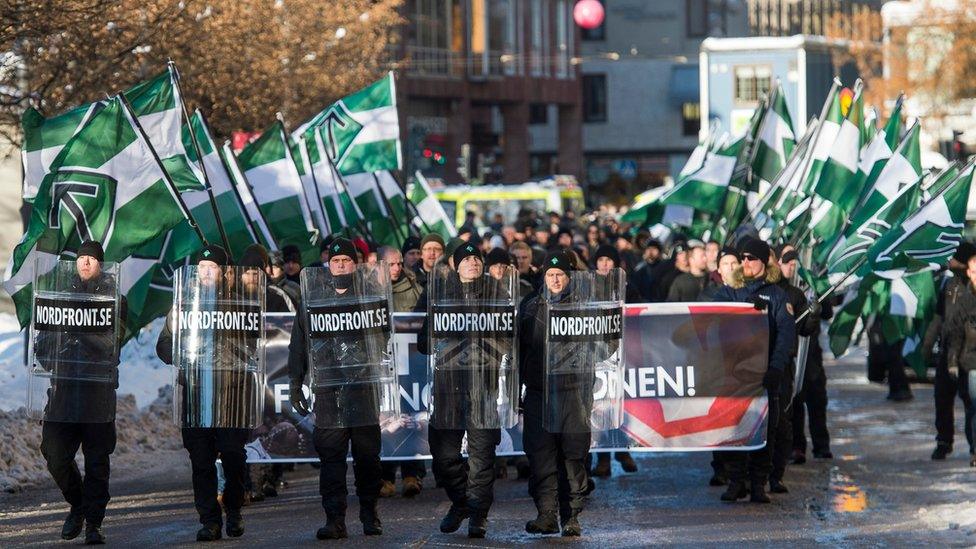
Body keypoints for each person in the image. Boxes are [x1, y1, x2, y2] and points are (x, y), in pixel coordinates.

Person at [287, 238, 387, 539]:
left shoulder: (370, 297)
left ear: (354, 264)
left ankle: (370, 513)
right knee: (331, 459)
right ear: (328, 265)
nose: (341, 265)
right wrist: (295, 382)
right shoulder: (313, 299)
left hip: (363, 388)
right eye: (335, 261)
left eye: (346, 261)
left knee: (368, 458)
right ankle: (335, 519)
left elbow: (383, 339)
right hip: (329, 393)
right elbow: (298, 345)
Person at [415, 243, 515, 538]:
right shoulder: (442, 294)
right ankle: (461, 503)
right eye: (466, 259)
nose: (472, 262)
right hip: (448, 388)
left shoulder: (498, 294)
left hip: (483, 388)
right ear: (456, 266)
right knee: (444, 457)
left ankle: (478, 517)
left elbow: (509, 341)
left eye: (476, 258)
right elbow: (423, 343)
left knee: (482, 458)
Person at [155, 245, 251, 541]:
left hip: (231, 397)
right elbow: (163, 344)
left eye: (212, 267)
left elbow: (256, 346)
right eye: (202, 268)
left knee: (234, 457)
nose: (206, 272)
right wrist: (178, 353)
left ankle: (233, 510)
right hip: (196, 396)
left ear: (223, 272)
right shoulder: (184, 305)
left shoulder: (240, 304)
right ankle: (209, 520)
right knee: (201, 461)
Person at [36, 241, 126, 545]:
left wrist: (79, 332)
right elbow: (44, 339)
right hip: (63, 390)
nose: (85, 263)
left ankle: (94, 524)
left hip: (97, 393)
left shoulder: (115, 299)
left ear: (100, 264)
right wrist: (50, 357)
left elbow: (112, 344)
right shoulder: (60, 296)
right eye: (81, 258)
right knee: (55, 453)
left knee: (97, 462)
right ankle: (79, 504)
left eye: (91, 259)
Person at [712, 238, 795, 504]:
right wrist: (745, 308)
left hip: (765, 374)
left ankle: (759, 483)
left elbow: (785, 334)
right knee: (736, 428)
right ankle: (737, 481)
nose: (746, 263)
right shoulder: (730, 291)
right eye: (743, 258)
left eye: (752, 258)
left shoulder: (777, 295)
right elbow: (711, 317)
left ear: (763, 262)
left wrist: (776, 367)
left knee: (766, 431)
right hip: (736, 374)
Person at [518, 250, 594, 537]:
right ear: (544, 277)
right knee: (541, 455)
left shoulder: (585, 306)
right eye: (550, 275)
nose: (555, 280)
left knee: (573, 456)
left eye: (560, 274)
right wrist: (516, 392)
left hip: (574, 392)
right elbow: (519, 351)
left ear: (568, 276)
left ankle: (571, 516)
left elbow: (605, 349)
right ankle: (546, 514)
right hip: (539, 391)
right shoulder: (530, 306)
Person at [768, 247, 821, 494]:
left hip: (783, 366)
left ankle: (775, 474)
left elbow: (805, 328)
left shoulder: (793, 293)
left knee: (782, 420)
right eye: (786, 262)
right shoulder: (755, 291)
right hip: (752, 365)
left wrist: (813, 314)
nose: (791, 267)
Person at [379, 247, 426, 498]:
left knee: (410, 418)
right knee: (387, 422)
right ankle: (385, 477)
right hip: (385, 366)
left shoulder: (415, 288)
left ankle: (412, 474)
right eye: (390, 265)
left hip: (411, 364)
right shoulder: (372, 290)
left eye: (398, 264)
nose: (396, 269)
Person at [588, 244, 638, 477]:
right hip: (596, 353)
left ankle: (622, 449)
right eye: (601, 260)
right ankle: (604, 459)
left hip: (623, 351)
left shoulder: (626, 284)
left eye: (609, 260)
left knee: (622, 404)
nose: (605, 264)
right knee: (601, 406)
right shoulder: (587, 284)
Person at [924, 243, 976, 460]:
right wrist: (927, 344)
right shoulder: (948, 284)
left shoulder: (972, 287)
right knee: (942, 399)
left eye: (954, 258)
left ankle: (974, 446)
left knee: (971, 404)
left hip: (970, 356)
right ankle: (944, 441)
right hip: (948, 352)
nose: (949, 261)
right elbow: (938, 318)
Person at [940, 253, 976, 467]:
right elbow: (955, 333)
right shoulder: (963, 299)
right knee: (974, 407)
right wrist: (952, 361)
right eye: (972, 271)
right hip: (971, 363)